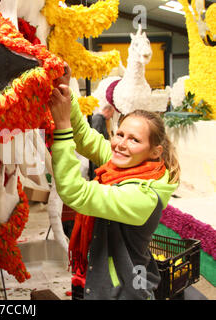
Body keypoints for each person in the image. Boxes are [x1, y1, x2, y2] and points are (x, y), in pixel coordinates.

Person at [48, 63, 180, 300]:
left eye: (134, 140)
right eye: (120, 134)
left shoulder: (143, 196)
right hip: (106, 285)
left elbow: (76, 193)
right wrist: (66, 89)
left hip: (123, 292)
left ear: (154, 151)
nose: (121, 143)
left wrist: (62, 127)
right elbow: (87, 139)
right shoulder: (129, 164)